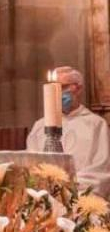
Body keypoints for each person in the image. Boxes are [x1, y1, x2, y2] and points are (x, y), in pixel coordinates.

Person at [27, 66, 110, 195]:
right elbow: (31, 164)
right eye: (52, 88)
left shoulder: (96, 125)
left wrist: (68, 187)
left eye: (63, 87)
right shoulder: (39, 126)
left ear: (78, 88)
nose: (57, 93)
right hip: (45, 194)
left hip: (80, 194)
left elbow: (100, 169)